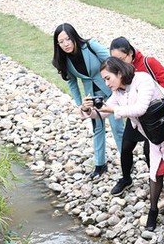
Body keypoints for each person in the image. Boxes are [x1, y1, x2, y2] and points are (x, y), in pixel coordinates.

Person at [82, 57, 164, 231]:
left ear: (119, 73)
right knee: (154, 172)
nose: (106, 83)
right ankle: (153, 211)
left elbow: (140, 108)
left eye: (108, 78)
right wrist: (87, 110)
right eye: (104, 79)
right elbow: (102, 113)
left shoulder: (142, 79)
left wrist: (112, 109)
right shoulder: (118, 93)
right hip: (153, 136)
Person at [52, 23, 124, 179]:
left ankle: (126, 162)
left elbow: (111, 62)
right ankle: (100, 164)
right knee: (97, 128)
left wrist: (119, 86)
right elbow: (71, 82)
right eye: (61, 41)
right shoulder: (65, 59)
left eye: (68, 39)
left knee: (117, 127)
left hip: (110, 91)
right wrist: (80, 105)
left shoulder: (91, 45)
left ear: (74, 37)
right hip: (91, 97)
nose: (66, 44)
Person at [108, 37, 164, 196]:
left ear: (130, 54)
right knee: (126, 147)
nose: (118, 64)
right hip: (134, 116)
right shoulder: (119, 73)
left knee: (149, 150)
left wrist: (149, 98)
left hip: (153, 116)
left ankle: (158, 182)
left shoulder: (147, 63)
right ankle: (125, 178)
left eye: (121, 59)